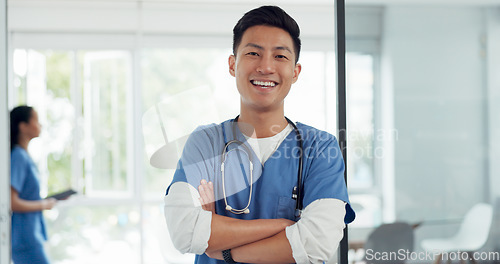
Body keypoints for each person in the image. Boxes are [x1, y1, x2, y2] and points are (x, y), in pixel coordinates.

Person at [164, 5, 355, 264]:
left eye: (280, 56)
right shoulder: (205, 143)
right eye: (253, 53)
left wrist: (222, 247)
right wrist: (284, 227)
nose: (266, 67)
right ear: (233, 65)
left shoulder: (320, 148)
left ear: (295, 72)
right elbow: (185, 232)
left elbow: (316, 245)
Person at [10, 105, 56, 264]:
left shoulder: (24, 156)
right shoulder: (18, 157)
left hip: (30, 235)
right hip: (25, 238)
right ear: (23, 126)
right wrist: (43, 204)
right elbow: (11, 201)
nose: (40, 125)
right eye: (36, 120)